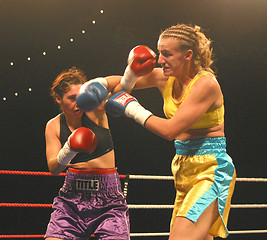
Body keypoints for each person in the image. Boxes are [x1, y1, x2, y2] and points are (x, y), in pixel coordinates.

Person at [105, 24, 236, 240]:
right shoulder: (165, 77)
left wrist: (131, 108)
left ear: (188, 55)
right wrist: (96, 84)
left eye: (167, 54)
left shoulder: (206, 84)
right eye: (159, 53)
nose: (159, 60)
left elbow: (170, 130)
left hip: (210, 170)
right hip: (182, 169)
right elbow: (118, 85)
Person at [44, 67, 130, 240]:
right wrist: (70, 147)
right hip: (71, 197)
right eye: (72, 98)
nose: (79, 103)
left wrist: (97, 83)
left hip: (108, 197)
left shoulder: (95, 110)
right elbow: (54, 168)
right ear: (58, 99)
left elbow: (122, 85)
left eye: (81, 97)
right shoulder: (53, 126)